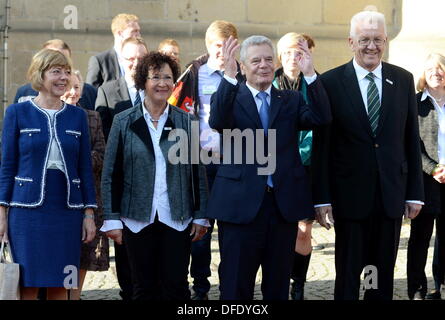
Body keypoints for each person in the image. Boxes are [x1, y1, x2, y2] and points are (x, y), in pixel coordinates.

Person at [208, 35, 331, 300]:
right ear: (242, 66)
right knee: (235, 285)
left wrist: (310, 74)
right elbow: (218, 119)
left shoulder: (291, 99)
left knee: (277, 286)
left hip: (281, 207)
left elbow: (322, 118)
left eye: (267, 59)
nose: (263, 65)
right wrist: (228, 76)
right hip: (239, 207)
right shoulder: (232, 96)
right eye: (255, 60)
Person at [313, 10, 424, 300]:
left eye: (377, 40)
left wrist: (414, 192)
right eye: (364, 40)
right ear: (351, 42)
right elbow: (322, 146)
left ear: (385, 41)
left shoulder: (402, 79)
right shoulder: (332, 82)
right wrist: (322, 197)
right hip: (349, 197)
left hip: (389, 197)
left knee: (378, 271)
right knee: (349, 272)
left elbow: (410, 139)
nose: (371, 46)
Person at [100, 51, 209, 300]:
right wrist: (112, 218)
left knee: (177, 287)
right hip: (136, 218)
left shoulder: (186, 121)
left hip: (177, 216)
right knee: (143, 288)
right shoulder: (123, 121)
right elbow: (110, 174)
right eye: (155, 77)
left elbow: (197, 173)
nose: (162, 83)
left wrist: (201, 215)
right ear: (142, 82)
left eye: (167, 77)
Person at [0, 49, 97, 300]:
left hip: (68, 213)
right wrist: (1, 213)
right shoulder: (16, 113)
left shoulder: (77, 116)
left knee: (61, 284)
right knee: (28, 286)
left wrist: (88, 213)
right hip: (26, 214)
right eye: (56, 71)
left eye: (66, 71)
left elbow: (84, 168)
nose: (63, 77)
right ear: (39, 75)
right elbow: (7, 165)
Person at [168, 20, 243, 300]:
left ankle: (230, 288)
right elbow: (175, 114)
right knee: (199, 231)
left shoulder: (243, 76)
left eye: (230, 46)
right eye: (218, 47)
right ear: (209, 46)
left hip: (232, 163)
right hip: (199, 162)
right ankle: (200, 288)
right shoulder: (193, 76)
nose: (224, 53)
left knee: (231, 233)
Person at [273, 32, 318, 300]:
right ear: (280, 55)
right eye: (288, 52)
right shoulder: (269, 82)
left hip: (307, 168)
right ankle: (277, 279)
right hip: (275, 168)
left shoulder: (317, 83)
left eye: (299, 52)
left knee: (303, 230)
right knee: (277, 231)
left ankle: (297, 283)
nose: (294, 57)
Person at [60, 70, 109, 300]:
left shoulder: (92, 117)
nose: (72, 92)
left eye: (77, 86)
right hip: (57, 200)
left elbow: (101, 156)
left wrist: (77, 156)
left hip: (87, 199)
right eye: (68, 86)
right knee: (59, 256)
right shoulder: (48, 117)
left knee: (82, 256)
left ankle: (75, 296)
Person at [407, 53, 445, 300]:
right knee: (420, 237)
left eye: (440, 67)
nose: (436, 72)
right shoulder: (414, 103)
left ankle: (439, 285)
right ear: (423, 73)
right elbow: (410, 143)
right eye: (430, 68)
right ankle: (417, 288)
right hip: (425, 180)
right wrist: (433, 167)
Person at [14, 39, 97, 111]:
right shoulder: (24, 94)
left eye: (64, 59)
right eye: (56, 69)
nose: (63, 77)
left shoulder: (89, 93)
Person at [95, 37, 148, 141]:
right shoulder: (107, 92)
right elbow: (102, 134)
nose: (136, 64)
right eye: (131, 59)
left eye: (141, 59)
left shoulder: (156, 90)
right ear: (121, 60)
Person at [86, 13, 141, 88]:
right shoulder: (100, 61)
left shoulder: (141, 58)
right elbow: (90, 93)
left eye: (138, 31)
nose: (138, 35)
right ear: (120, 33)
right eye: (134, 31)